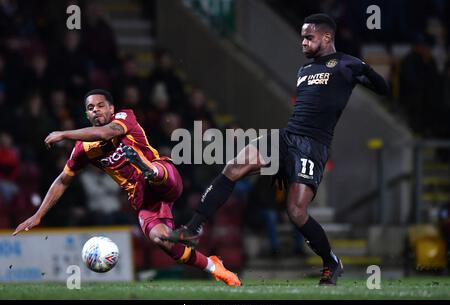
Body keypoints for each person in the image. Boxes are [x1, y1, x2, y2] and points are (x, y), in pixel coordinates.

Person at [161, 13, 389, 285]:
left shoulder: (346, 64)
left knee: (296, 212)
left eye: (309, 37)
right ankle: (192, 227)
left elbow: (383, 89)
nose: (302, 42)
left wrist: (367, 70)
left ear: (327, 37)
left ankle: (331, 261)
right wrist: (280, 163)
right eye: (302, 37)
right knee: (234, 166)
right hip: (287, 137)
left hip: (312, 146)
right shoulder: (303, 71)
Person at [12, 89, 241, 286]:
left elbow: (107, 132)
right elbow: (63, 180)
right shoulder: (83, 149)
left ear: (112, 109)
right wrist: (38, 215)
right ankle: (214, 267)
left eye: (101, 106)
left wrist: (64, 133)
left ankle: (148, 170)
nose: (96, 110)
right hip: (142, 198)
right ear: (86, 114)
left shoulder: (125, 116)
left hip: (164, 174)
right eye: (90, 108)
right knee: (163, 242)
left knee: (155, 174)